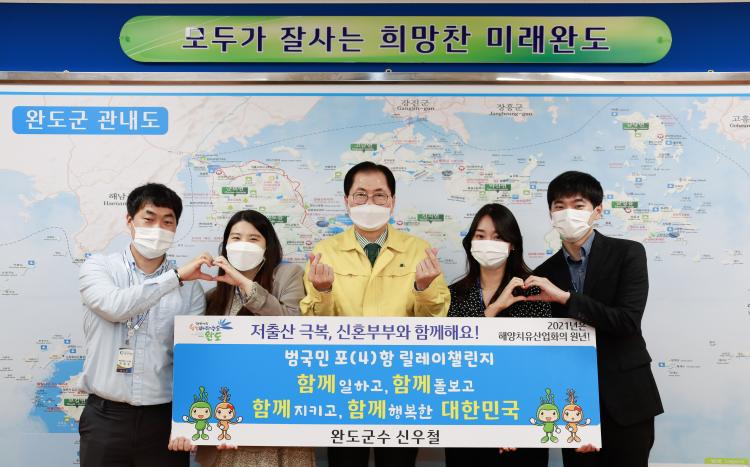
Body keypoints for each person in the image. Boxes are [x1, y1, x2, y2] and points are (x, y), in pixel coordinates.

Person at [300, 161, 450, 467]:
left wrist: (423, 287)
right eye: (361, 195)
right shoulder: (325, 252)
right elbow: (313, 328)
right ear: (347, 201)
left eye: (379, 195)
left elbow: (436, 324)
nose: (370, 202)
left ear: (392, 201)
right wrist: (324, 291)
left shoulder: (419, 250)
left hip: (402, 384)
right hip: (344, 383)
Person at [526, 171, 663, 467]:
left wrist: (566, 299)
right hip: (574, 409)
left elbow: (627, 321)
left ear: (597, 211)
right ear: (550, 214)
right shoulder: (543, 274)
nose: (568, 213)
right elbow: (546, 348)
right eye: (559, 206)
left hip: (627, 400)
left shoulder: (628, 253)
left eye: (578, 205)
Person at [77, 183, 209, 467]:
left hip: (163, 421)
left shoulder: (191, 289)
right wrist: (174, 278)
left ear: (175, 227)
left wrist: (187, 421)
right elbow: (114, 307)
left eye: (167, 221)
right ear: (130, 220)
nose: (158, 228)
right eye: (149, 219)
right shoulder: (99, 268)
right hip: (105, 418)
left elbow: (193, 360)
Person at [169, 209, 314, 466]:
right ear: (225, 245)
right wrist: (187, 424)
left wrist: (244, 284)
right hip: (227, 426)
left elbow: (292, 328)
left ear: (268, 245)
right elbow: (198, 363)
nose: (243, 244)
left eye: (253, 238)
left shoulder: (288, 276)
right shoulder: (214, 297)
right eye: (236, 238)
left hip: (277, 423)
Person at [445, 203, 550, 467]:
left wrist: (515, 422)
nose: (488, 243)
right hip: (468, 420)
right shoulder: (452, 294)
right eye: (480, 236)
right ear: (470, 242)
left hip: (521, 422)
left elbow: (537, 365)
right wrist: (495, 308)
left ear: (512, 244)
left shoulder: (533, 292)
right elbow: (456, 358)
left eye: (498, 237)